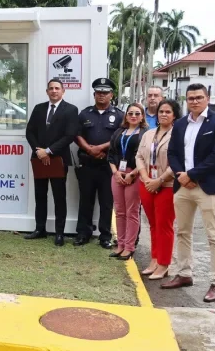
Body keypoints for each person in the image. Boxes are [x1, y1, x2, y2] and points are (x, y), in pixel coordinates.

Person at [163, 84, 215, 303]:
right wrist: (182, 175)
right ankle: (184, 274)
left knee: (214, 236)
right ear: (186, 100)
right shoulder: (180, 124)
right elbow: (172, 152)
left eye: (199, 97)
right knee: (182, 232)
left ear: (207, 99)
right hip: (183, 187)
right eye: (190, 98)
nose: (194, 101)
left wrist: (191, 175)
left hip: (208, 187)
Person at [24, 78, 79, 246]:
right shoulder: (39, 108)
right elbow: (29, 132)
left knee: (59, 196)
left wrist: (48, 151)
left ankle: (59, 233)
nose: (54, 91)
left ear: (63, 91)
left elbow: (70, 135)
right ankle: (40, 229)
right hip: (39, 158)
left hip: (58, 159)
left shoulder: (71, 110)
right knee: (40, 195)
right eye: (51, 88)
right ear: (47, 91)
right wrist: (39, 151)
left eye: (57, 88)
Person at [74, 78, 125, 248]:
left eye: (105, 92)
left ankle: (105, 236)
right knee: (85, 200)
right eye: (99, 92)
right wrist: (89, 149)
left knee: (106, 202)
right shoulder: (85, 113)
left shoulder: (119, 115)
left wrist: (101, 148)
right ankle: (83, 233)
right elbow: (77, 134)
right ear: (94, 94)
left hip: (107, 166)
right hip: (87, 164)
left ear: (112, 95)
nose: (101, 95)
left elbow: (120, 137)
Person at [136, 99, 181, 280]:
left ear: (174, 115)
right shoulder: (149, 134)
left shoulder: (178, 135)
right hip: (146, 183)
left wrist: (160, 180)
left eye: (168, 112)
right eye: (161, 111)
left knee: (164, 226)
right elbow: (139, 156)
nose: (163, 114)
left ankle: (164, 264)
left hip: (167, 186)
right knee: (153, 224)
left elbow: (178, 162)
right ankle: (154, 260)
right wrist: (146, 178)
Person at [107, 103, 147, 260]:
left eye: (137, 113)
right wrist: (116, 172)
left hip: (134, 175)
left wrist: (133, 174)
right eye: (130, 113)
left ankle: (129, 247)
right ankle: (121, 244)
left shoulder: (145, 134)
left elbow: (145, 158)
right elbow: (111, 154)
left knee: (132, 211)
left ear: (142, 116)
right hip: (117, 174)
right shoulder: (119, 132)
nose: (134, 116)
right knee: (120, 211)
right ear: (126, 116)